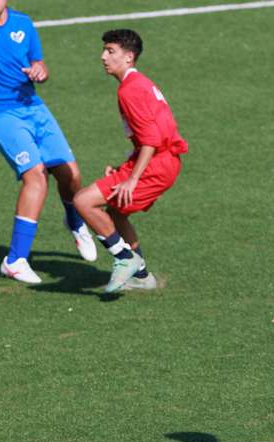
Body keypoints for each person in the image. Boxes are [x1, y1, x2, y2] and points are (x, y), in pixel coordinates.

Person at [0, 0, 97, 285]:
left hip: (33, 106)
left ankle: (74, 221)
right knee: (36, 177)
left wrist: (40, 72)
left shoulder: (24, 23)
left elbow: (39, 64)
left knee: (71, 174)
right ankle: (15, 261)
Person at [73, 29, 188, 292]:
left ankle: (125, 258)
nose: (103, 57)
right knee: (116, 212)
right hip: (161, 160)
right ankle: (142, 277)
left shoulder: (130, 90)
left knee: (83, 201)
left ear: (129, 57)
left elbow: (151, 140)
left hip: (157, 164)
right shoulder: (140, 83)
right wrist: (125, 166)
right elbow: (153, 134)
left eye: (110, 51)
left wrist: (132, 178)